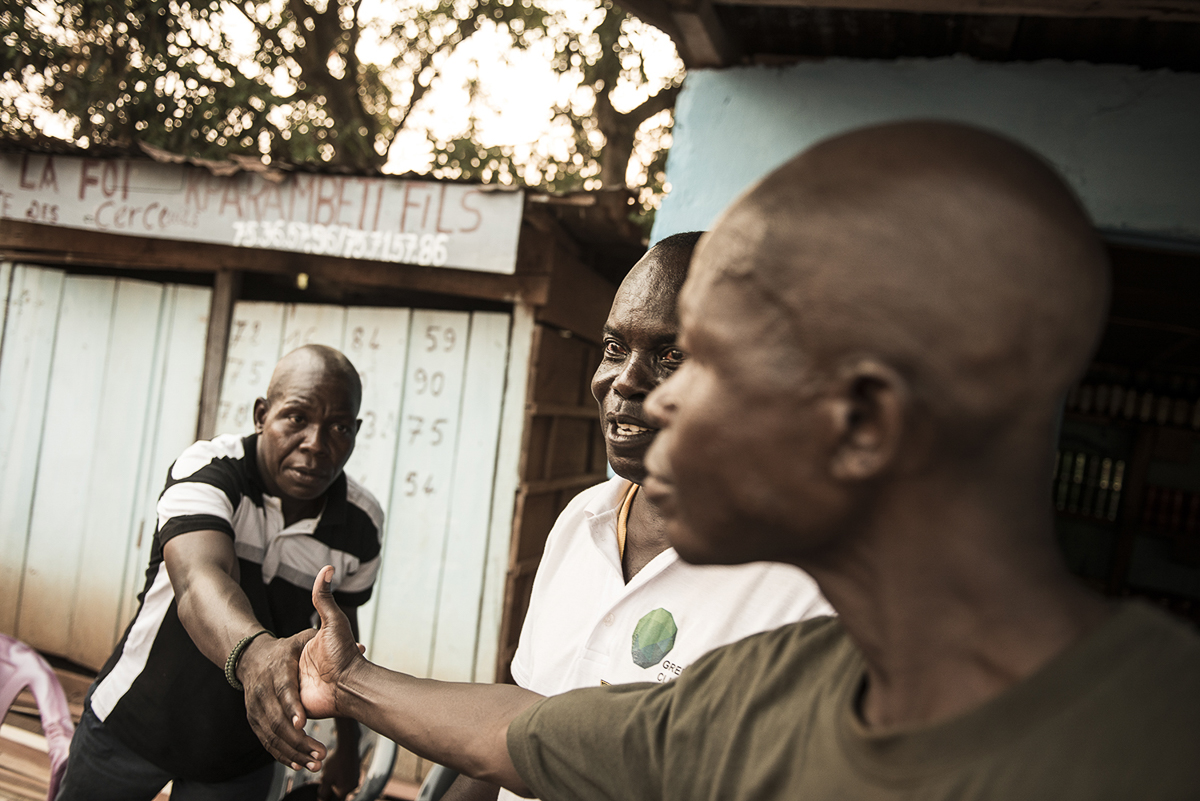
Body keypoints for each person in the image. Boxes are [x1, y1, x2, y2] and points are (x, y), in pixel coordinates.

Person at [294, 122, 1200, 799]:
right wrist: (352, 677)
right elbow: (524, 727)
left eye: (708, 361)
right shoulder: (777, 688)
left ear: (863, 419)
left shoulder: (1151, 748)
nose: (652, 398)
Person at [444, 234, 829, 801]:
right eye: (614, 346)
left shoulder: (800, 586)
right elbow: (518, 731)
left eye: (671, 355)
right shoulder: (581, 521)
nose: (624, 379)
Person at [57, 344, 383, 801]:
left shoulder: (362, 523)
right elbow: (198, 582)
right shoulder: (210, 470)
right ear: (260, 415)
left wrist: (348, 745)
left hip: (243, 755)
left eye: (339, 427)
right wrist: (256, 655)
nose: (316, 443)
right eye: (296, 418)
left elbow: (341, 634)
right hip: (133, 724)